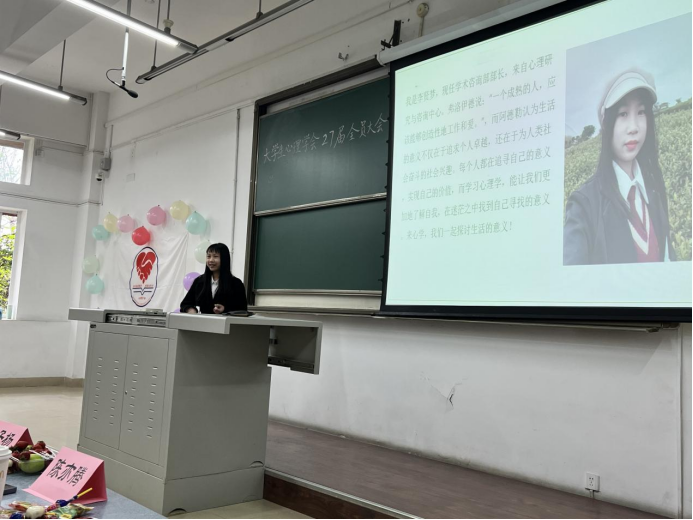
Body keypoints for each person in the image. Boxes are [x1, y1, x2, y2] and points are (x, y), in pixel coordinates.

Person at [564, 69, 676, 265]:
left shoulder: (653, 189)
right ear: (606, 124)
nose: (634, 127)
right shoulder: (584, 205)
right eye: (623, 114)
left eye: (641, 112)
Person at [180, 243, 248, 314]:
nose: (211, 260)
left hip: (224, 321)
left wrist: (225, 310)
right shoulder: (199, 281)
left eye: (215, 256)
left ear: (224, 259)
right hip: (202, 320)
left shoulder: (236, 284)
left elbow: (242, 310)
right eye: (208, 256)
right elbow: (185, 304)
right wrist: (191, 310)